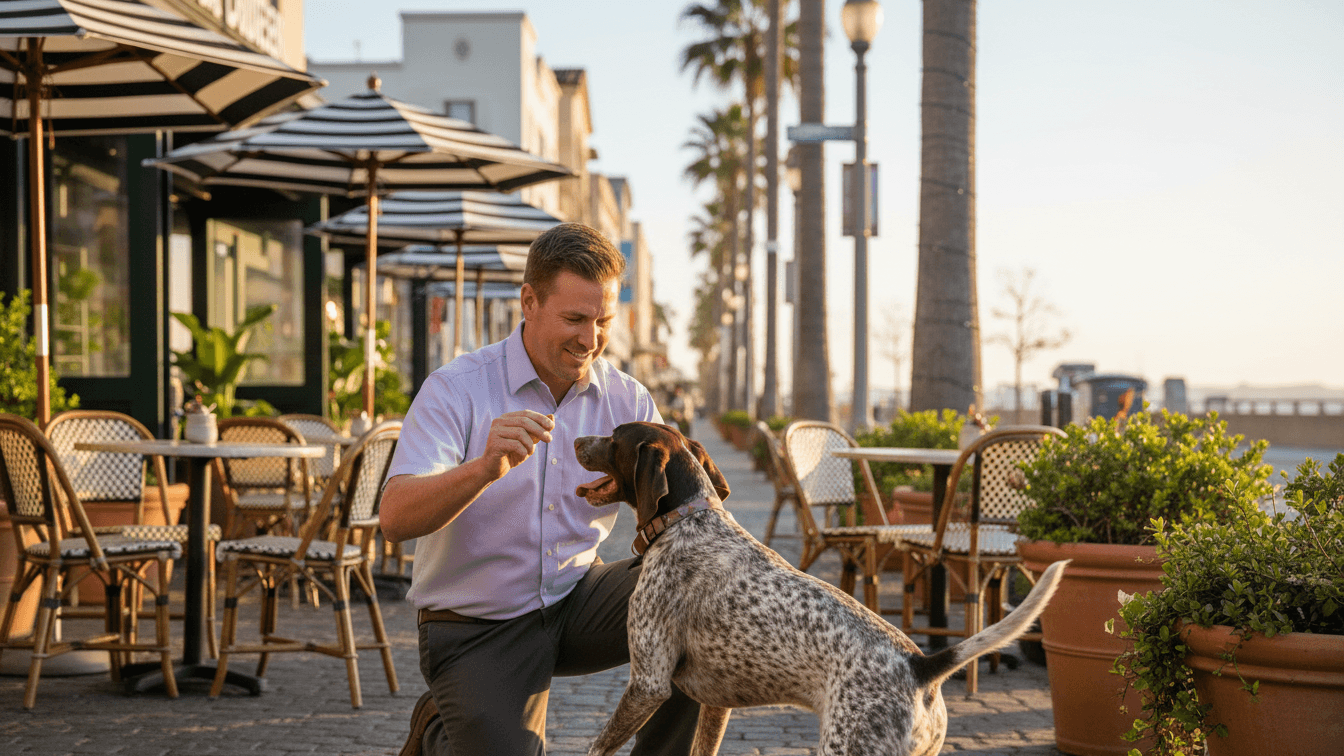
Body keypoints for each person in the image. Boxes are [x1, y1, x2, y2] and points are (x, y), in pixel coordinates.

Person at [379, 223, 701, 756]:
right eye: (574, 318)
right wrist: (481, 468)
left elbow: (685, 514)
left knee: (698, 597)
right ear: (529, 302)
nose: (590, 338)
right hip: (477, 623)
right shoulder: (456, 388)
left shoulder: (628, 400)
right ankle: (444, 727)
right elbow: (394, 519)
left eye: (603, 322)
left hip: (577, 600)